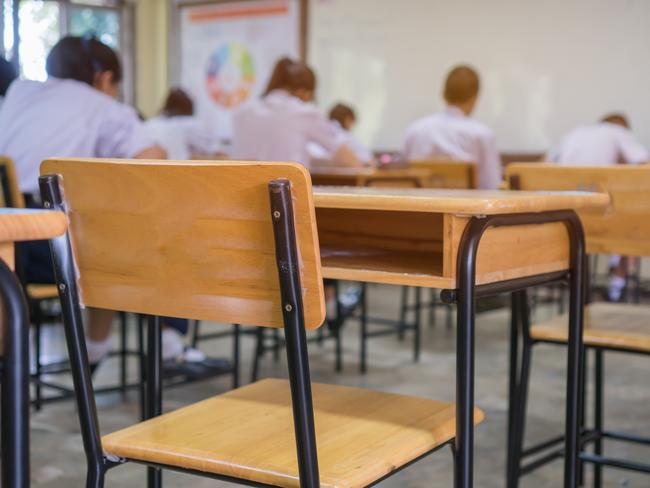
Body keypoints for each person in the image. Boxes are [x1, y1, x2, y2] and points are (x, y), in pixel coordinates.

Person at [0, 36, 209, 371]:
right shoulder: (100, 105)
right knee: (147, 237)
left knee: (100, 229)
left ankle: (96, 350)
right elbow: (154, 159)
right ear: (104, 78)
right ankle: (165, 348)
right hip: (49, 251)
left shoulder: (18, 95)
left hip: (8, 249)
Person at [547, 114, 649, 301]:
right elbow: (645, 166)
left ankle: (585, 284)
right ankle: (616, 285)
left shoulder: (574, 133)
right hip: (594, 219)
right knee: (634, 221)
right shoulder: (619, 132)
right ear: (624, 128)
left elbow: (541, 166)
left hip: (561, 220)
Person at [231, 58, 363, 168]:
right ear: (304, 92)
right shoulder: (302, 113)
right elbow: (347, 158)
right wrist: (362, 165)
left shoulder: (243, 111)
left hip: (241, 196)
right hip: (284, 196)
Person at [403, 65, 501, 189]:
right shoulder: (482, 135)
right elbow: (492, 186)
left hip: (421, 207)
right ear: (474, 98)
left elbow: (405, 178)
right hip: (466, 207)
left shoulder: (415, 130)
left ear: (444, 94)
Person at [143, 88, 221, 160]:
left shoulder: (150, 123)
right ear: (189, 107)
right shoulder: (189, 123)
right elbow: (216, 152)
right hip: (177, 171)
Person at [546, 113, 649, 166]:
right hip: (594, 186)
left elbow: (544, 162)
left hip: (560, 187)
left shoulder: (577, 131)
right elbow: (645, 162)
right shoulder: (618, 130)